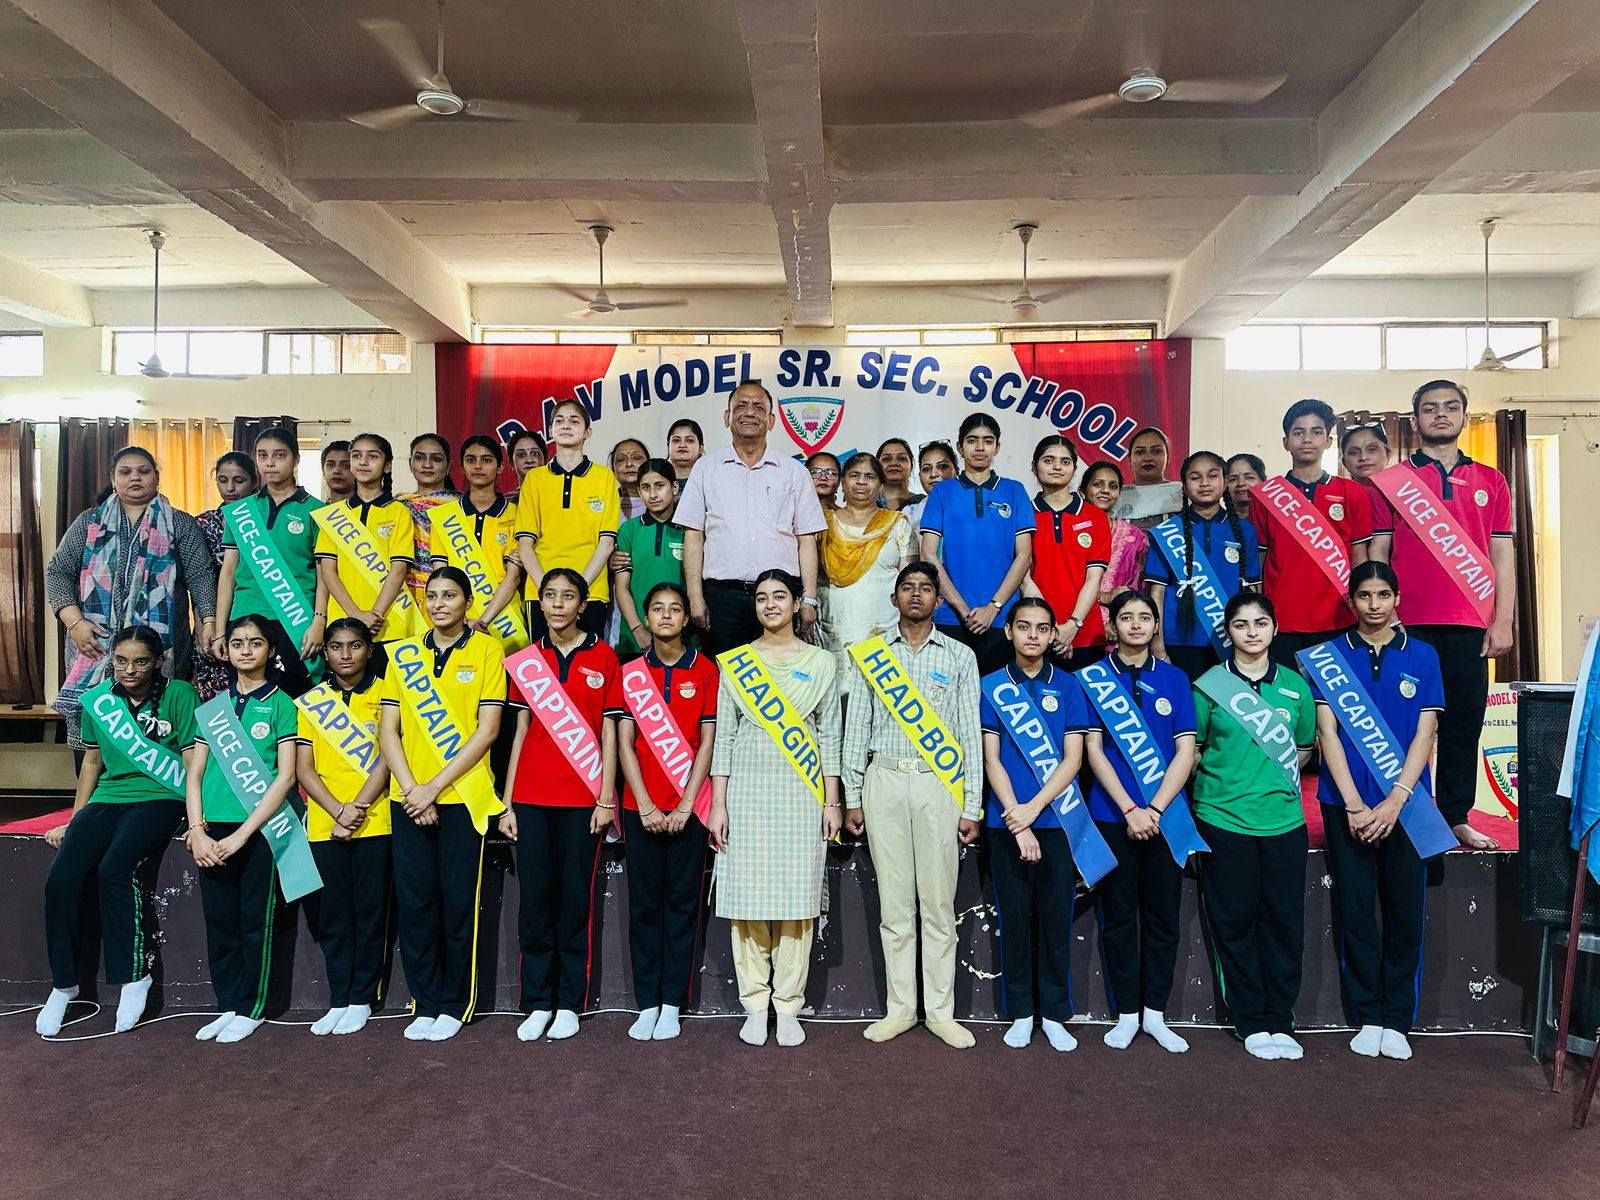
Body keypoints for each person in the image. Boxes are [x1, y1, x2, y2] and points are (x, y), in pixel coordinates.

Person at [840, 561, 981, 1049]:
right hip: (883, 781)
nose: (916, 594)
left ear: (939, 601)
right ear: (894, 597)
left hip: (938, 783)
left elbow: (969, 734)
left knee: (938, 905)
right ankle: (900, 1009)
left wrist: (972, 805)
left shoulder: (961, 655)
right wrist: (852, 796)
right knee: (895, 906)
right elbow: (856, 726)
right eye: (907, 587)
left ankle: (940, 1012)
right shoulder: (872, 655)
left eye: (925, 588)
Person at [1369, 380, 1514, 851]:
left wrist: (1504, 619)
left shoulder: (1491, 480)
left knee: (1463, 722)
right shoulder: (1391, 482)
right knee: (1403, 722)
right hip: (1406, 623)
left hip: (1471, 622)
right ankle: (1402, 810)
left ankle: (1454, 816)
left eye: (1450, 407)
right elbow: (1379, 552)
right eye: (1430, 408)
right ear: (1415, 421)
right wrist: (1381, 615)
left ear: (1464, 417)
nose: (1440, 414)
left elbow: (1502, 554)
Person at [1314, 562, 1447, 1062]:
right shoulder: (1328, 657)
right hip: (1344, 805)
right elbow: (1326, 732)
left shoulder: (1424, 655)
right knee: (1355, 912)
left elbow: (1426, 732)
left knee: (1404, 912)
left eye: (1383, 595)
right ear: (1352, 601)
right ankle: (1367, 1014)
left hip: (1406, 807)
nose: (1374, 604)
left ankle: (1397, 1019)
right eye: (1365, 595)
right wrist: (1353, 803)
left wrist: (1396, 800)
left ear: (1397, 599)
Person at [37, 627, 199, 1037]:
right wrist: (76, 819)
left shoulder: (180, 694)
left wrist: (197, 819)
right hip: (109, 797)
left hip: (163, 796)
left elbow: (192, 762)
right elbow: (92, 764)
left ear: (158, 661)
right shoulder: (98, 701)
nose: (129, 670)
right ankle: (63, 984)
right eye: (121, 661)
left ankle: (133, 977)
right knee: (62, 878)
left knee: (115, 869)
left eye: (140, 661)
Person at [707, 569, 842, 1047]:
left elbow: (830, 735)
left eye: (779, 596)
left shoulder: (822, 662)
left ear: (796, 602)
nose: (770, 604)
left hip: (802, 790)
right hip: (746, 790)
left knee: (796, 903)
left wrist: (831, 800)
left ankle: (788, 1005)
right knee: (746, 903)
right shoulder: (736, 663)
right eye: (762, 597)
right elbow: (723, 737)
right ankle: (754, 1004)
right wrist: (718, 804)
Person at [379, 566, 506, 1043]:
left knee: (458, 904)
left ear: (467, 602)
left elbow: (487, 731)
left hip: (462, 799)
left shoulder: (487, 650)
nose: (439, 604)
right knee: (415, 905)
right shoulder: (403, 653)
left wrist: (433, 788)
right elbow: (387, 731)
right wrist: (414, 789)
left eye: (449, 595)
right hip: (408, 798)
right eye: (432, 596)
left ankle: (454, 1004)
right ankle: (425, 1000)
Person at [1191, 593, 1316, 1061]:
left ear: (1275, 628)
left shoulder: (1295, 687)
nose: (1252, 632)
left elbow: (1304, 748)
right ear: (1229, 631)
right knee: (1234, 922)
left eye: (1260, 623)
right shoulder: (1208, 686)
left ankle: (1280, 1018)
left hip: (1284, 823)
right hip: (1223, 821)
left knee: (1284, 923)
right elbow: (1194, 749)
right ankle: (1250, 1020)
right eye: (1241, 624)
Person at [501, 568, 622, 1042]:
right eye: (549, 595)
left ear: (582, 604)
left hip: (582, 801)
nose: (556, 604)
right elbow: (520, 733)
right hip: (530, 799)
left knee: (575, 903)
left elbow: (609, 732)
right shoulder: (528, 660)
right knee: (534, 903)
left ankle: (570, 1003)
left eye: (567, 596)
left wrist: (606, 797)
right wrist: (508, 802)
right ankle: (537, 1002)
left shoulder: (604, 656)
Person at [1080, 590, 1198, 1054]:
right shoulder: (1092, 677)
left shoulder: (1175, 678)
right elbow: (1093, 751)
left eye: (1144, 617)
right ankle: (1127, 1013)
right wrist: (1131, 809)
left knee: (1163, 917)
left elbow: (1186, 751)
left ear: (1155, 625)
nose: (1135, 625)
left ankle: (1156, 1014)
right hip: (1113, 816)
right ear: (1112, 626)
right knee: (1119, 916)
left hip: (1166, 817)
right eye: (1126, 617)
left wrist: (1156, 809)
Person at [49, 445, 217, 756]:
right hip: (94, 645)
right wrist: (75, 623)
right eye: (125, 472)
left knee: (159, 731)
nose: (135, 478)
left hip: (161, 648)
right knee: (94, 742)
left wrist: (208, 621)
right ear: (113, 479)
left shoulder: (180, 523)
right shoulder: (89, 522)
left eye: (143, 471)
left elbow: (201, 576)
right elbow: (58, 572)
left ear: (157, 477)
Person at [978, 597, 1093, 1052]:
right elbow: (991, 760)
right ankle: (1022, 1012)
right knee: (1014, 920)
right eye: (1023, 626)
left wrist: (1034, 810)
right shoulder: (991, 686)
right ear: (1008, 631)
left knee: (1055, 920)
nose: (1032, 635)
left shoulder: (1068, 685)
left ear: (1052, 635)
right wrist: (1018, 819)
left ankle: (1056, 1013)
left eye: (1042, 628)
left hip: (1058, 820)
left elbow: (1073, 759)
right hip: (1006, 822)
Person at [184, 614, 302, 1045]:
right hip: (212, 828)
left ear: (271, 651)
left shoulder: (283, 704)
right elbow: (194, 775)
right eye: (237, 643)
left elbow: (286, 777)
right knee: (220, 922)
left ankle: (253, 1008)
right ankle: (229, 1004)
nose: (246, 650)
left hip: (261, 829)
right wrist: (197, 830)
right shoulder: (212, 708)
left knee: (256, 920)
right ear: (227, 650)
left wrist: (242, 835)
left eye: (255, 643)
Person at [616, 582, 718, 1041]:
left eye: (675, 609)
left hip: (688, 810)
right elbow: (625, 744)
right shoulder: (630, 672)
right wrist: (645, 804)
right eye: (657, 608)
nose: (665, 616)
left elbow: (707, 743)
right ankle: (647, 1003)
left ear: (685, 618)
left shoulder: (707, 670)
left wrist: (684, 805)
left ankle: (672, 1003)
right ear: (646, 617)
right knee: (644, 906)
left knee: (681, 905)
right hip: (641, 809)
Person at [677, 381, 827, 656]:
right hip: (722, 599)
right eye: (741, 406)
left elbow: (806, 539)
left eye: (758, 407)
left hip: (781, 598)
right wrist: (695, 596)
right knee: (726, 675)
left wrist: (808, 599)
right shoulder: (706, 469)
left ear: (771, 420)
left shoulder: (794, 471)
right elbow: (694, 535)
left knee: (779, 674)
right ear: (727, 417)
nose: (749, 412)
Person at [295, 617, 392, 1037]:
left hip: (376, 820)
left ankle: (361, 999)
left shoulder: (388, 692)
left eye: (355, 646)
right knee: (333, 916)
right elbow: (304, 768)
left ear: (369, 650)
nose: (346, 654)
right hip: (325, 823)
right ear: (326, 652)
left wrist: (358, 807)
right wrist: (337, 810)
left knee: (370, 914)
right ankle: (339, 997)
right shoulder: (313, 701)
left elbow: (390, 758)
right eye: (336, 647)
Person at [1251, 399, 1374, 668]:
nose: (1307, 439)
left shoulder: (1352, 492)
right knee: (1288, 693)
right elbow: (1259, 559)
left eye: (1316, 432)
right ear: (1286, 442)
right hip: (1282, 619)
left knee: (1339, 695)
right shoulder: (1265, 496)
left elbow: (1359, 558)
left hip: (1339, 617)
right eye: (1299, 432)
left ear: (1328, 441)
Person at [213, 427, 327, 697]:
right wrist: (220, 631)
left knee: (296, 697)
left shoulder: (317, 510)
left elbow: (324, 574)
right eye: (263, 455)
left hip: (296, 619)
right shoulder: (240, 511)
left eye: (279, 455)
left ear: (296, 459)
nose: (270, 463)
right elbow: (228, 573)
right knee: (246, 699)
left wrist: (318, 622)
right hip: (245, 617)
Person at [918, 413, 1034, 675]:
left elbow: (1024, 556)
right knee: (947, 695)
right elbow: (928, 554)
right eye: (972, 440)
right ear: (960, 447)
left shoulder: (1015, 491)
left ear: (997, 447)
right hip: (952, 616)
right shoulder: (942, 492)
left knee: (997, 696)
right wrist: (963, 609)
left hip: (1003, 618)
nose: (980, 447)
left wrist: (993, 608)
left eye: (987, 441)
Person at [1146, 450, 1261, 681]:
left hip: (1231, 641)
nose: (1205, 483)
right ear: (1184, 486)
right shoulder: (1166, 533)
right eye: (1195, 477)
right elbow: (1156, 593)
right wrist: (1157, 646)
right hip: (1178, 642)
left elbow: (1253, 592)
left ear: (1224, 482)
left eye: (1212, 475)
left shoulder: (1245, 530)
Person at [514, 398, 621, 641]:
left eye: (574, 421)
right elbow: (525, 545)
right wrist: (548, 591)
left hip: (591, 592)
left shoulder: (604, 477)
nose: (566, 425)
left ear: (587, 432)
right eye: (559, 421)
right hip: (540, 593)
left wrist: (578, 590)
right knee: (544, 664)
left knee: (588, 663)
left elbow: (606, 544)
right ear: (551, 431)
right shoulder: (535, 479)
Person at [313, 432, 418, 645]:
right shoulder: (334, 515)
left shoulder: (399, 511)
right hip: (342, 623)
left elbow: (398, 570)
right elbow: (327, 572)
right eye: (356, 456)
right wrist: (356, 615)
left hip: (390, 623)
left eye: (372, 456)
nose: (363, 462)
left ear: (387, 465)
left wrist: (375, 614)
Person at [817, 453, 915, 673]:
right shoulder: (822, 524)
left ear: (881, 485)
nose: (862, 482)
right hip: (832, 631)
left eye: (870, 477)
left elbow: (910, 584)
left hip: (884, 632)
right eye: (854, 475)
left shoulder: (897, 525)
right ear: (842, 482)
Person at [435, 435, 526, 653]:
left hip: (506, 619)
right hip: (456, 619)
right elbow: (441, 577)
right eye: (471, 460)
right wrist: (462, 619)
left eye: (486, 460)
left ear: (500, 467)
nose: (478, 466)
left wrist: (482, 622)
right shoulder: (444, 516)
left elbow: (513, 577)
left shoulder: (517, 514)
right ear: (462, 467)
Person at [1025, 435, 1110, 662]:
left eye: (1065, 461)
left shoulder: (1095, 516)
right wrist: (1049, 627)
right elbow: (1023, 578)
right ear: (1034, 466)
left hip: (1087, 635)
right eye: (1049, 460)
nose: (1057, 467)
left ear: (1074, 469)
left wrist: (1073, 624)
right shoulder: (1023, 514)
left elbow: (1094, 578)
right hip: (1035, 635)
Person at [195, 452, 258, 701]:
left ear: (254, 481)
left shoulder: (264, 521)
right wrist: (204, 624)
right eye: (223, 480)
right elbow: (198, 580)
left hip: (256, 614)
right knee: (217, 694)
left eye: (238, 481)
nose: (230, 488)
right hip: (212, 616)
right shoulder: (203, 523)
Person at [613, 459, 685, 658]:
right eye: (646, 487)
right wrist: (637, 630)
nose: (653, 494)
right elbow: (621, 587)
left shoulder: (689, 530)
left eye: (659, 486)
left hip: (682, 638)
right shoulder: (629, 529)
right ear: (639, 491)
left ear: (674, 487)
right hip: (635, 640)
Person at [1082, 461, 1146, 640]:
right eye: (1098, 484)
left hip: (1120, 630)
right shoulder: (1070, 530)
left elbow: (1140, 589)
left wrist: (1117, 622)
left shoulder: (1135, 538)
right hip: (1073, 627)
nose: (1105, 490)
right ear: (1082, 490)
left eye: (1113, 486)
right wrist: (1103, 597)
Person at [400, 434, 461, 611]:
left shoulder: (462, 507)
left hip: (452, 596)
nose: (427, 464)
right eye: (420, 458)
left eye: (436, 459)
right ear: (410, 464)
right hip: (405, 597)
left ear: (448, 467)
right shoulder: (398, 506)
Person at [1339, 423, 1395, 557]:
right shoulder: (1337, 496)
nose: (1363, 457)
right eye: (1354, 452)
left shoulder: (1407, 492)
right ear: (1344, 462)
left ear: (1387, 454)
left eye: (1372, 449)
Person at [1121, 427, 1182, 527]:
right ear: (1129, 460)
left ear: (1168, 457)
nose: (1148, 458)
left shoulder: (1182, 494)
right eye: (1140, 452)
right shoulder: (1118, 497)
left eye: (1156, 451)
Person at [904, 440, 957, 535]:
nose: (933, 474)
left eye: (942, 466)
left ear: (956, 470)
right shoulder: (908, 513)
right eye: (926, 469)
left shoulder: (973, 505)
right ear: (920, 476)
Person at [876, 438, 924, 511]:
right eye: (886, 459)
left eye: (902, 458)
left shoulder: (924, 504)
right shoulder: (865, 504)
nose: (894, 463)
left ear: (911, 467)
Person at [612, 438, 651, 521]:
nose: (629, 464)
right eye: (621, 459)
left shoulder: (665, 502)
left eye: (636, 458)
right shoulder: (605, 505)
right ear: (613, 470)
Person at [665, 418, 704, 494]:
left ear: (701, 448)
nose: (682, 445)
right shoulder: (656, 478)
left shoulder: (710, 479)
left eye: (689, 440)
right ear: (668, 446)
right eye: (676, 440)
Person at [1224, 453, 1265, 522]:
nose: (1240, 483)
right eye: (1233, 479)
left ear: (1263, 481)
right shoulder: (1219, 523)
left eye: (1249, 478)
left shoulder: (1275, 519)